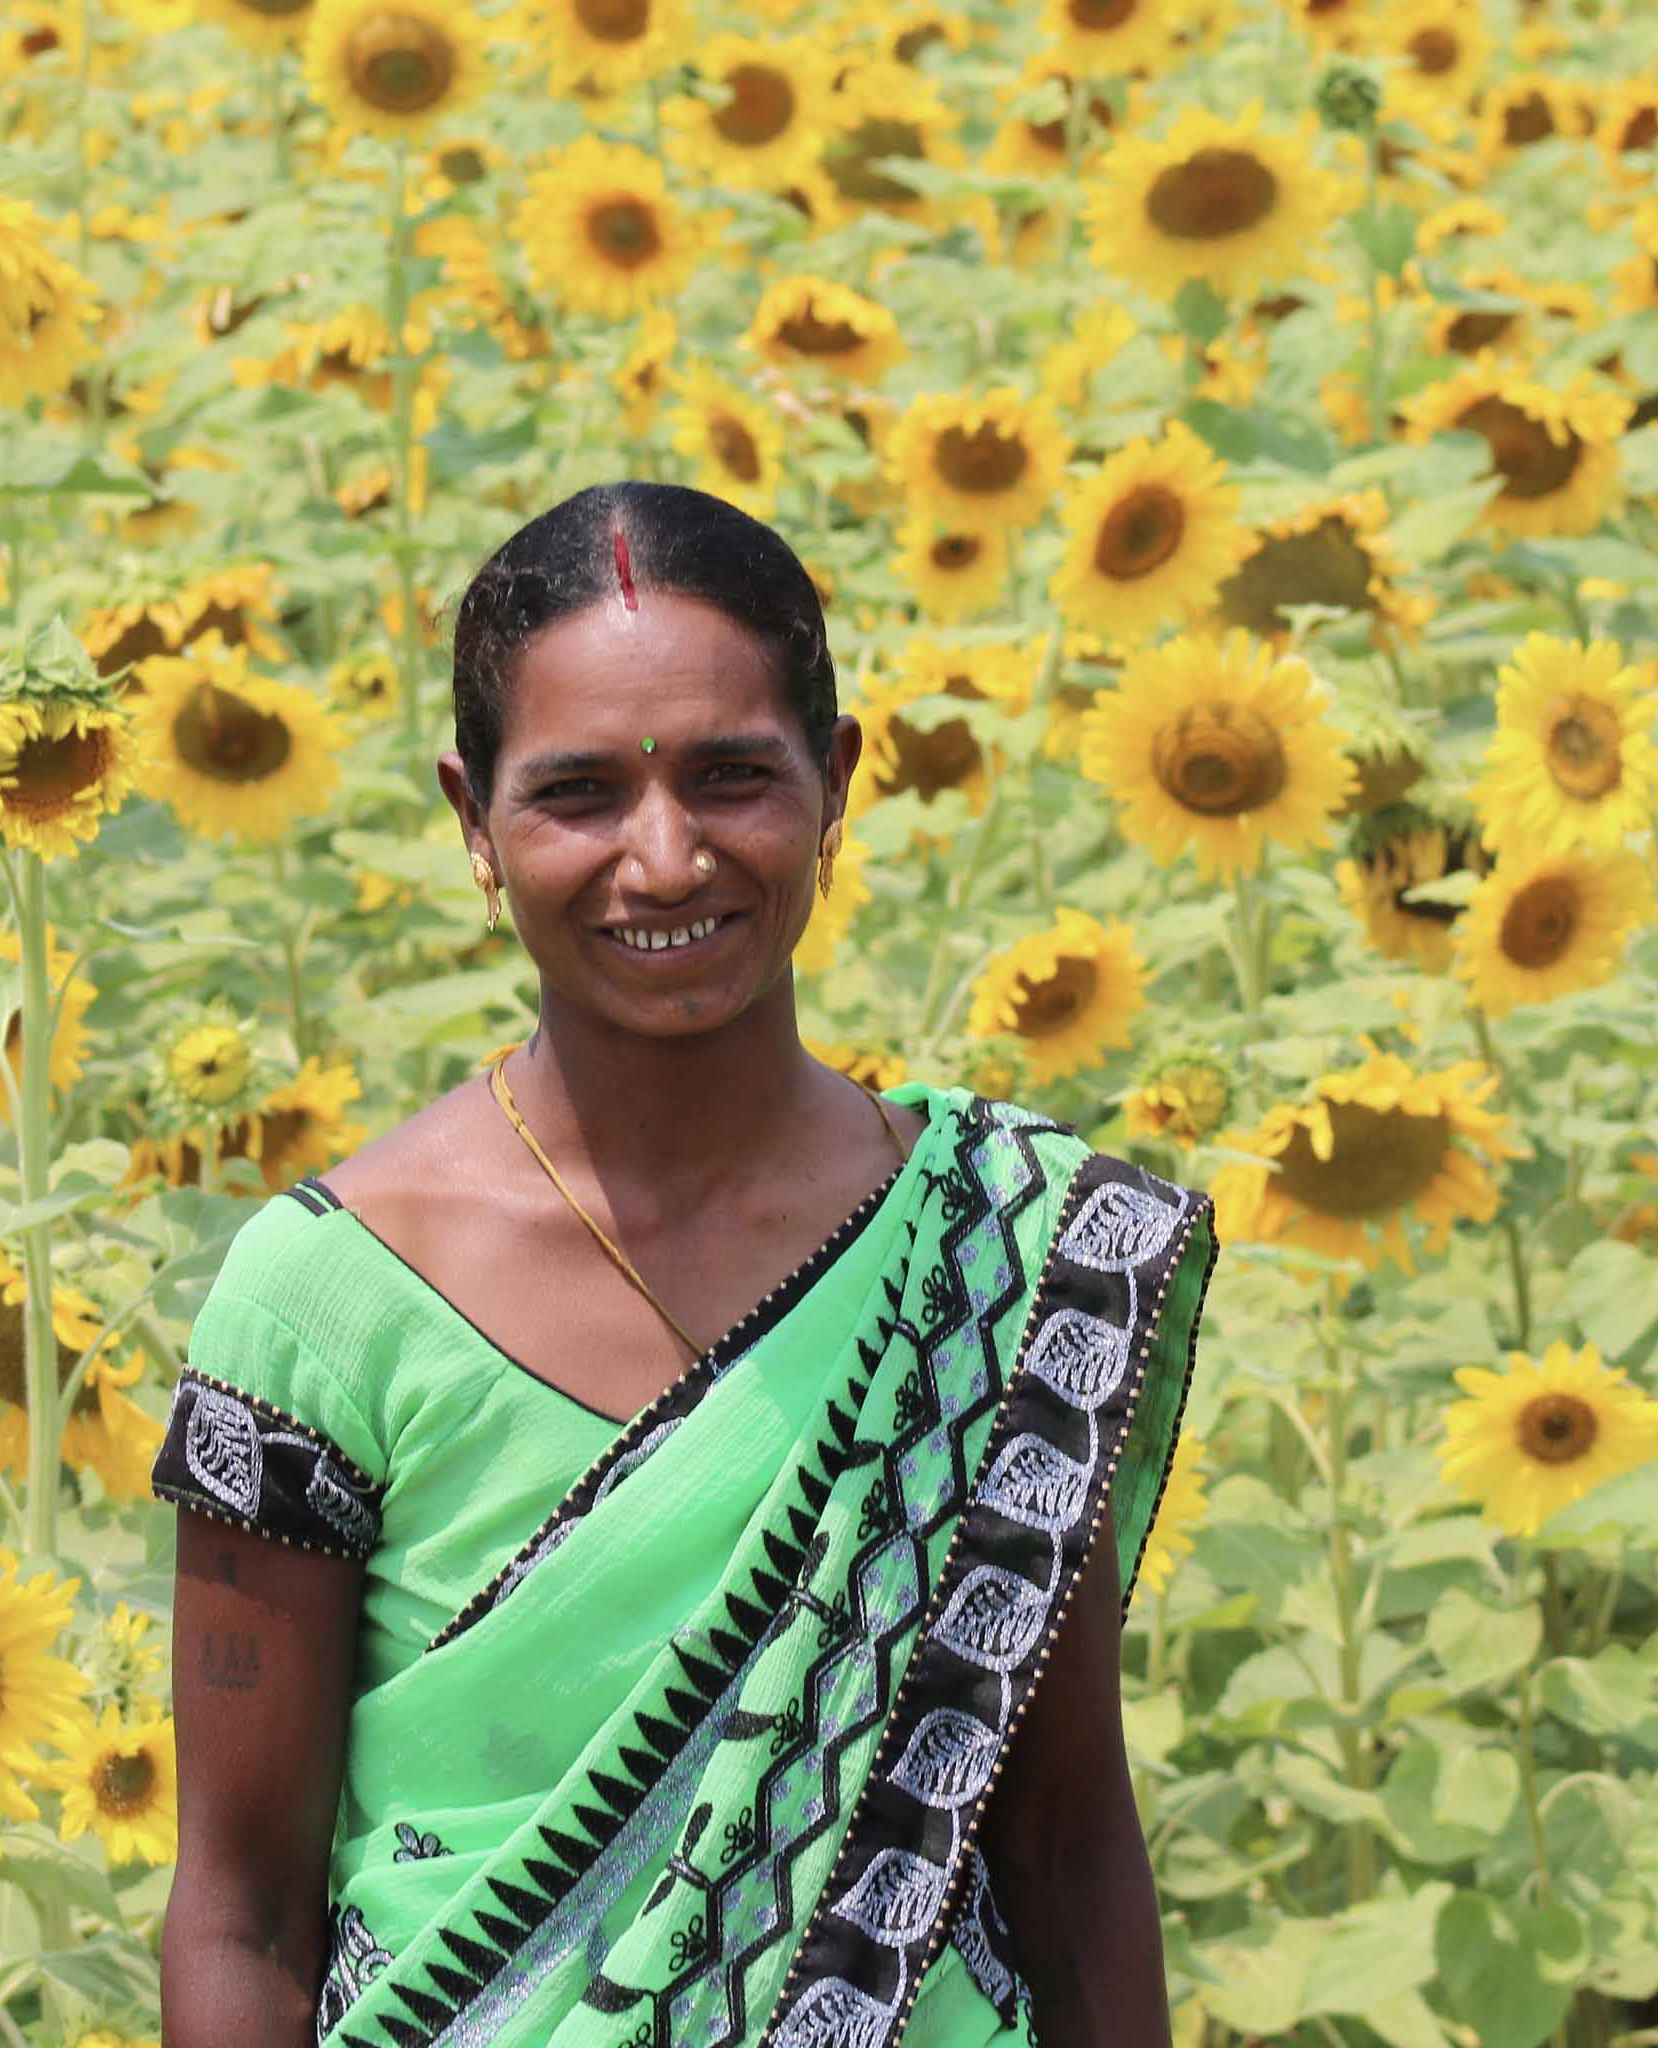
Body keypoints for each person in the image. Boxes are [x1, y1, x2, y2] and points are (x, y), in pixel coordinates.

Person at [152, 480, 1220, 2048]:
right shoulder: (324, 1301)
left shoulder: (1005, 1256)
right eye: (578, 794)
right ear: (472, 817)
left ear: (838, 784)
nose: (666, 860)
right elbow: (240, 1917)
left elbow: (1065, 1851)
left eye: (733, 778)